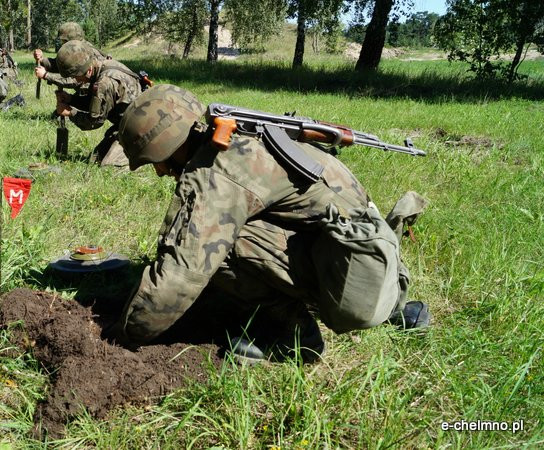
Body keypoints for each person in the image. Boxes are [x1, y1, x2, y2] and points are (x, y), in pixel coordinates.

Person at [106, 84, 431, 364]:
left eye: (155, 162)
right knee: (229, 231)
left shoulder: (217, 170)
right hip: (379, 264)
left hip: (355, 284)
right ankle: (398, 310)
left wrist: (121, 334)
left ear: (168, 147)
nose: (160, 172)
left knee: (220, 244)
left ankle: (295, 335)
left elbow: (180, 275)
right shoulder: (247, 135)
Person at [52, 40, 143, 166]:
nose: (75, 80)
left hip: (139, 130)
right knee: (95, 160)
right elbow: (97, 103)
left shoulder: (103, 83)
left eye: (75, 76)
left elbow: (94, 121)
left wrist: (70, 112)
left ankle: (143, 155)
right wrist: (71, 99)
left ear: (88, 71)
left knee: (109, 167)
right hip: (126, 125)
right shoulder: (102, 65)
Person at [32, 22, 111, 90]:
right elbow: (62, 66)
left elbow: (75, 80)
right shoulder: (77, 50)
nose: (62, 44)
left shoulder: (86, 53)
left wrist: (46, 75)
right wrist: (42, 60)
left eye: (63, 41)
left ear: (70, 40)